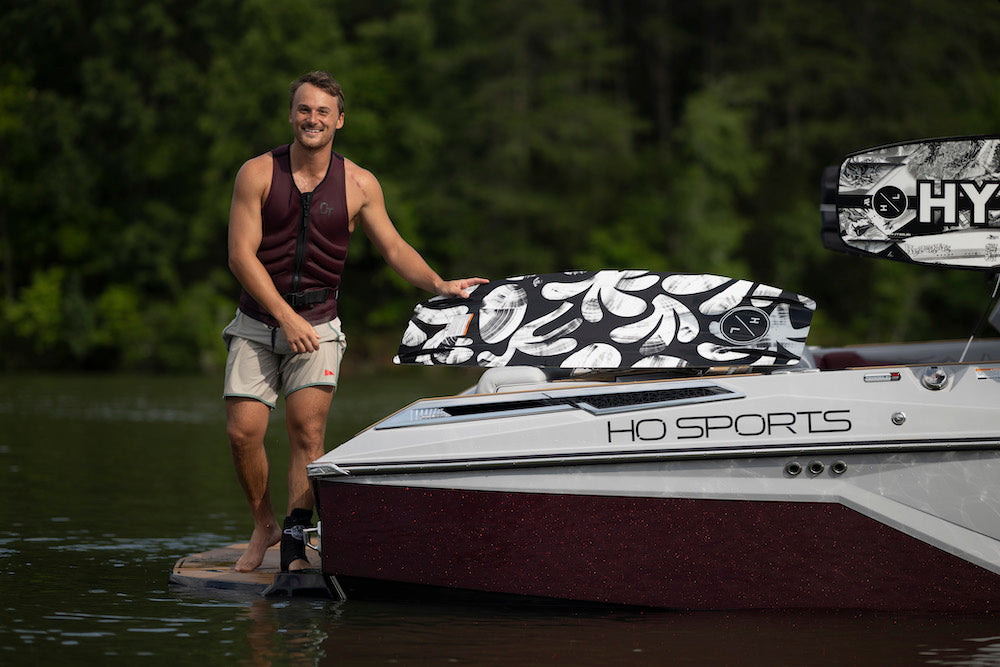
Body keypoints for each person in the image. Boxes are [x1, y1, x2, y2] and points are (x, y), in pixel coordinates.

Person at [223, 70, 487, 573]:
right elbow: (240, 256)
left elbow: (392, 247)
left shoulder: (360, 184)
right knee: (243, 433)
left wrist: (439, 284)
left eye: (323, 111)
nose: (312, 119)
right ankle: (264, 525)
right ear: (291, 115)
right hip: (259, 317)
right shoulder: (256, 173)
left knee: (307, 431)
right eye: (304, 109)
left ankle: (297, 544)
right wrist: (282, 314)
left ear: (339, 121)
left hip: (319, 322)